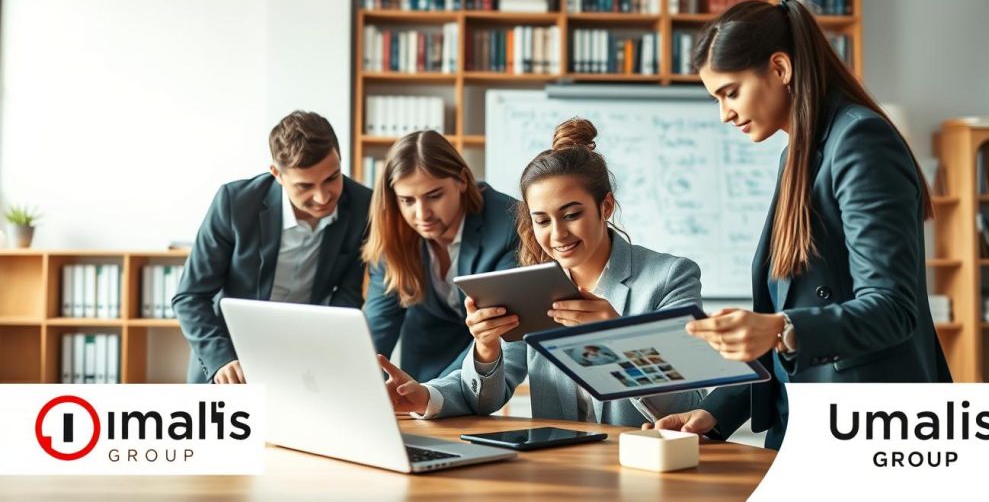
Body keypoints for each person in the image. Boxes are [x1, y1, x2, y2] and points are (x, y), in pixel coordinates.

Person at [648, 0, 952, 449]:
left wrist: (780, 326)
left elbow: (893, 308)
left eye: (730, 92)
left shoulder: (859, 141)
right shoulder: (797, 153)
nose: (724, 113)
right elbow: (790, 313)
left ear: (780, 67)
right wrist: (713, 413)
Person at [377, 118, 704, 426]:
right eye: (542, 220)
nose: (558, 235)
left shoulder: (669, 278)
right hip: (558, 467)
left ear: (605, 206)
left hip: (640, 467)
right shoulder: (533, 285)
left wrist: (619, 340)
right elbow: (486, 396)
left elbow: (688, 404)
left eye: (572, 214)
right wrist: (483, 352)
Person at [174, 111, 372, 384]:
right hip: (232, 357)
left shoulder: (362, 206)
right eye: (305, 186)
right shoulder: (234, 203)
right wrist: (221, 360)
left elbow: (348, 296)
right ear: (277, 174)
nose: (323, 197)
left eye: (331, 178)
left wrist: (325, 350)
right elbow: (190, 297)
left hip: (307, 357)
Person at [362, 130, 519, 382]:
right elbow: (376, 328)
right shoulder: (393, 232)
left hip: (489, 349)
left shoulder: (509, 225)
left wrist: (434, 393)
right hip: (426, 348)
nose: (421, 214)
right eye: (407, 200)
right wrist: (355, 385)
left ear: (463, 181)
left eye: (434, 196)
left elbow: (500, 328)